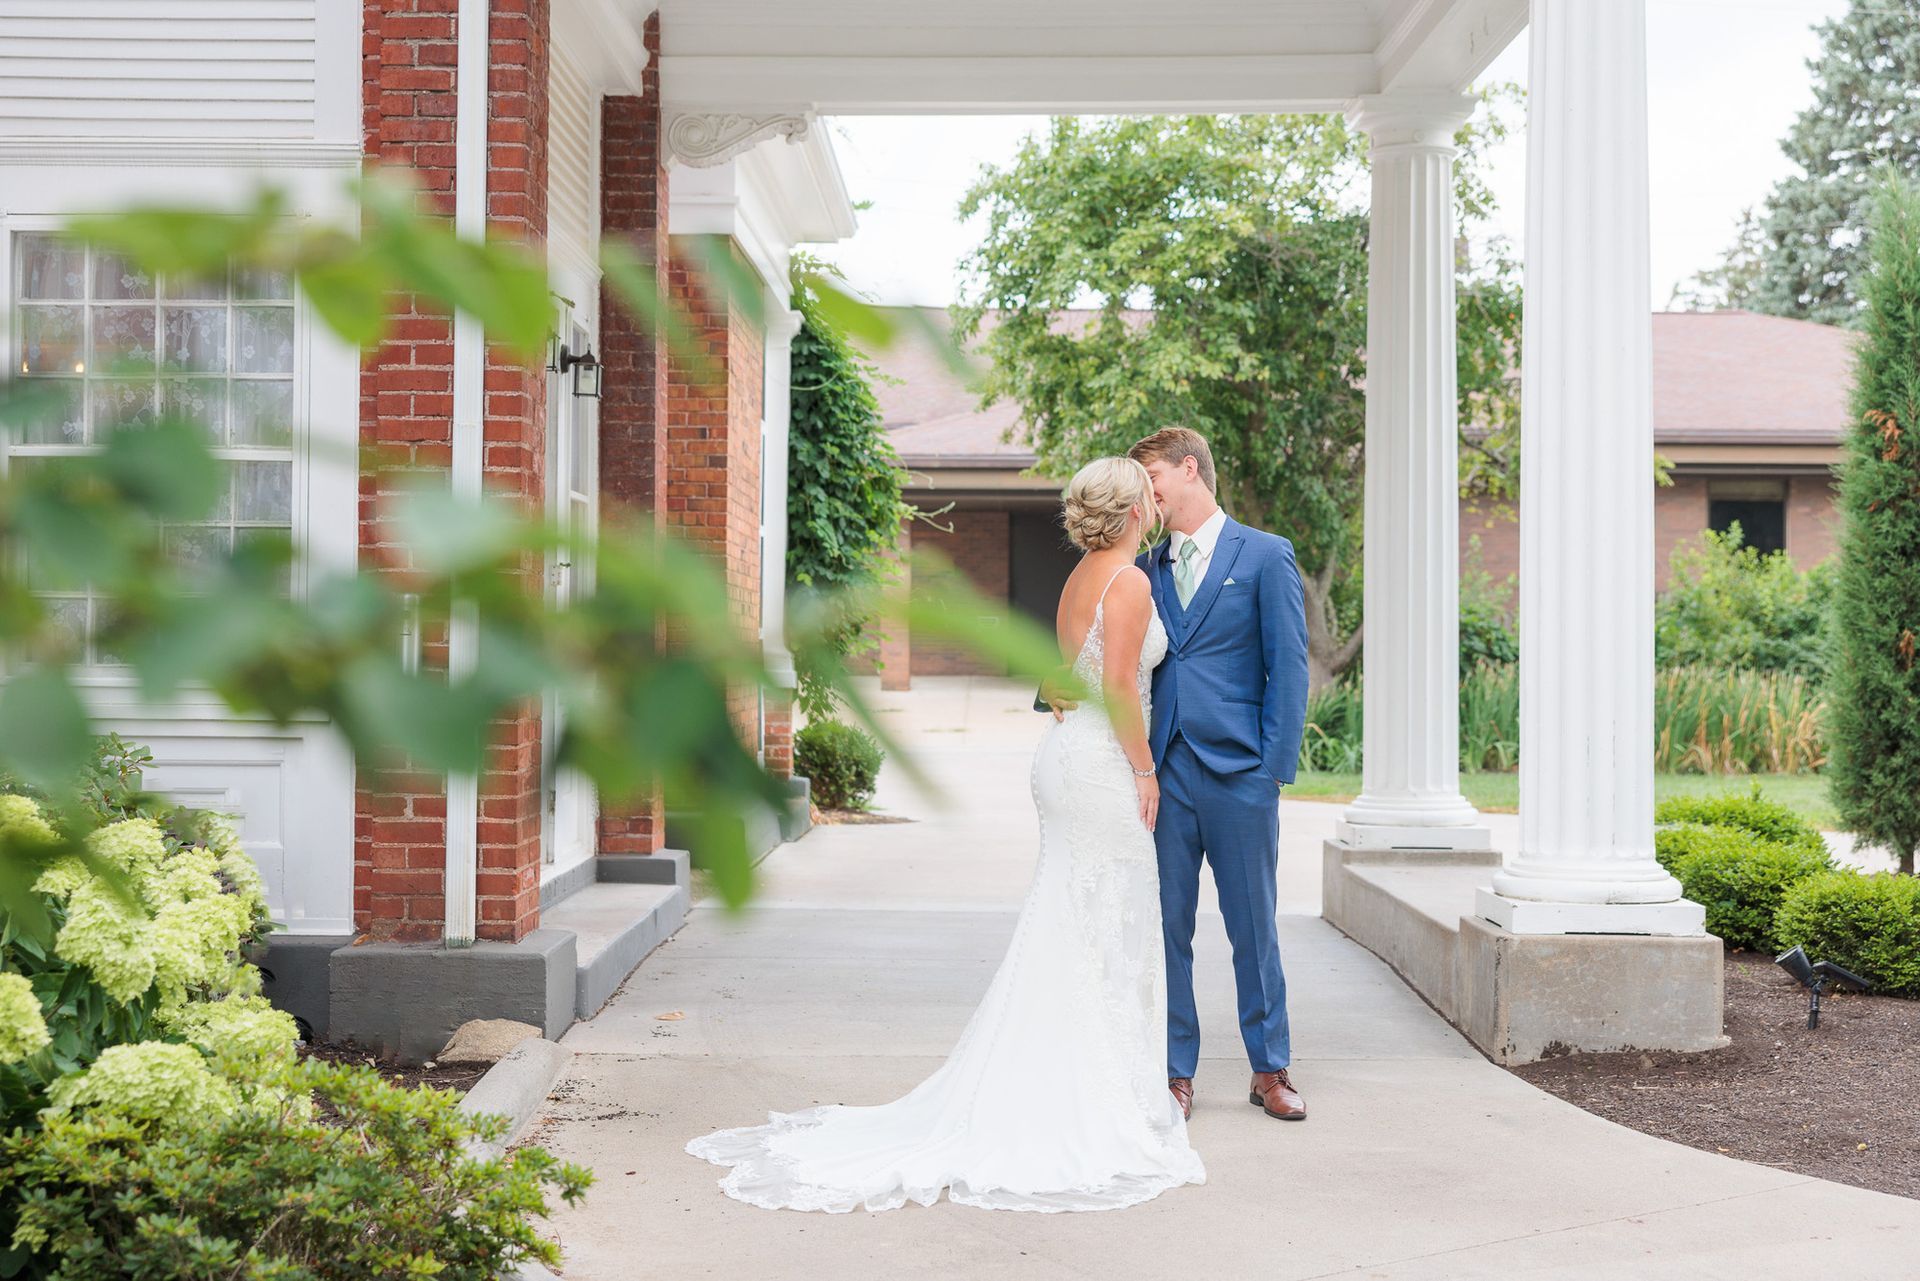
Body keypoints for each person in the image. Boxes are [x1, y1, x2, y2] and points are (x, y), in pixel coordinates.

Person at [686, 456, 1205, 1213]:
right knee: (1107, 924)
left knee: (1074, 923)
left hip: (1067, 759)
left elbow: (1069, 675)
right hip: (1100, 767)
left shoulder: (1080, 577)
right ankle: (1088, 1099)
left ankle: (1068, 1078)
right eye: (1147, 498)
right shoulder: (1128, 581)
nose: (1156, 506)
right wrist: (1147, 771)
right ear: (1133, 513)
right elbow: (1121, 685)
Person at [1045, 428, 1310, 1124]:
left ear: (1189, 468)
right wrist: (1057, 686)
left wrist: (1271, 770)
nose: (1147, 488)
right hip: (1159, 772)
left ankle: (1270, 1067)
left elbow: (1290, 669)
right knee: (1165, 927)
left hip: (1240, 772)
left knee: (1253, 924)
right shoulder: (1142, 565)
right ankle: (1174, 1073)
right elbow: (1111, 654)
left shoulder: (1265, 554)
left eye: (1153, 472)